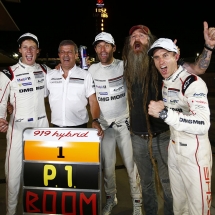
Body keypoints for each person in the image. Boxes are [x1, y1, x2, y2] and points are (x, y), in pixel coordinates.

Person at [122, 22, 215, 215]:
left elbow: (197, 70)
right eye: (133, 37)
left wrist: (208, 47)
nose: (137, 39)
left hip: (169, 139)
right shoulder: (129, 66)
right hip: (153, 140)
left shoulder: (178, 73)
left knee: (181, 195)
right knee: (161, 192)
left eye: (142, 35)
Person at [147, 38, 212, 215]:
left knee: (198, 209)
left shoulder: (192, 82)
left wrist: (165, 113)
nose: (161, 61)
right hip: (174, 148)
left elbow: (203, 123)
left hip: (194, 153)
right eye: (157, 57)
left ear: (177, 56)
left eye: (166, 55)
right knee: (179, 206)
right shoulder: (167, 81)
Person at [88, 32, 143, 215]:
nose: (103, 50)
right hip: (104, 126)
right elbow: (90, 98)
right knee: (108, 169)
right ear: (95, 49)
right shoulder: (91, 70)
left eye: (107, 45)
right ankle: (111, 198)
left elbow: (143, 66)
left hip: (124, 123)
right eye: (99, 46)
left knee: (130, 166)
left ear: (114, 48)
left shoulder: (123, 65)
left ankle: (137, 202)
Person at [0, 33, 50, 215]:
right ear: (19, 50)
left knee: (42, 173)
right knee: (13, 176)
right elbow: (0, 100)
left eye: (32, 47)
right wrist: (1, 117)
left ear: (38, 51)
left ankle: (38, 210)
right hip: (18, 129)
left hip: (42, 128)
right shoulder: (8, 72)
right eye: (25, 47)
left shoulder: (45, 70)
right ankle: (11, 212)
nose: (29, 51)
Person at [46, 40, 103, 136]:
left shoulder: (85, 75)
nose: (66, 55)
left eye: (69, 52)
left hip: (79, 128)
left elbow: (93, 101)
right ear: (59, 55)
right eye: (63, 52)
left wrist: (95, 120)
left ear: (76, 55)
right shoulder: (50, 75)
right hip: (57, 128)